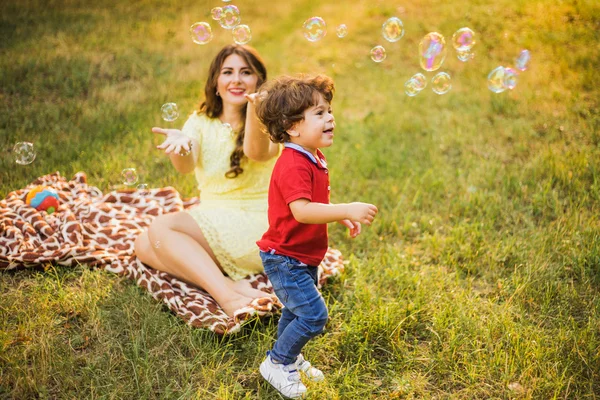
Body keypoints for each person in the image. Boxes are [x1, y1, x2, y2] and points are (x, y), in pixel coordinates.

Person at [254, 75, 378, 399]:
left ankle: (290, 357)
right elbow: (303, 212)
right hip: (284, 258)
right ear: (293, 126)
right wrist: (346, 207)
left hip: (301, 254)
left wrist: (343, 216)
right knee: (313, 315)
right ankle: (276, 363)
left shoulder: (312, 156)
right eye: (320, 113)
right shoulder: (293, 163)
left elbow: (317, 206)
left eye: (329, 111)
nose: (330, 118)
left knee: (295, 311)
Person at [134, 44, 281, 318]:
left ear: (258, 81)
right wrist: (181, 147)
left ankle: (226, 299)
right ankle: (228, 283)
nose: (236, 79)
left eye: (245, 72)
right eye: (227, 72)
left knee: (161, 227)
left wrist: (257, 111)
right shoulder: (201, 120)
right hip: (214, 218)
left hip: (257, 223)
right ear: (216, 83)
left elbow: (256, 153)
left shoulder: (268, 124)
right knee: (144, 243)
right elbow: (185, 167)